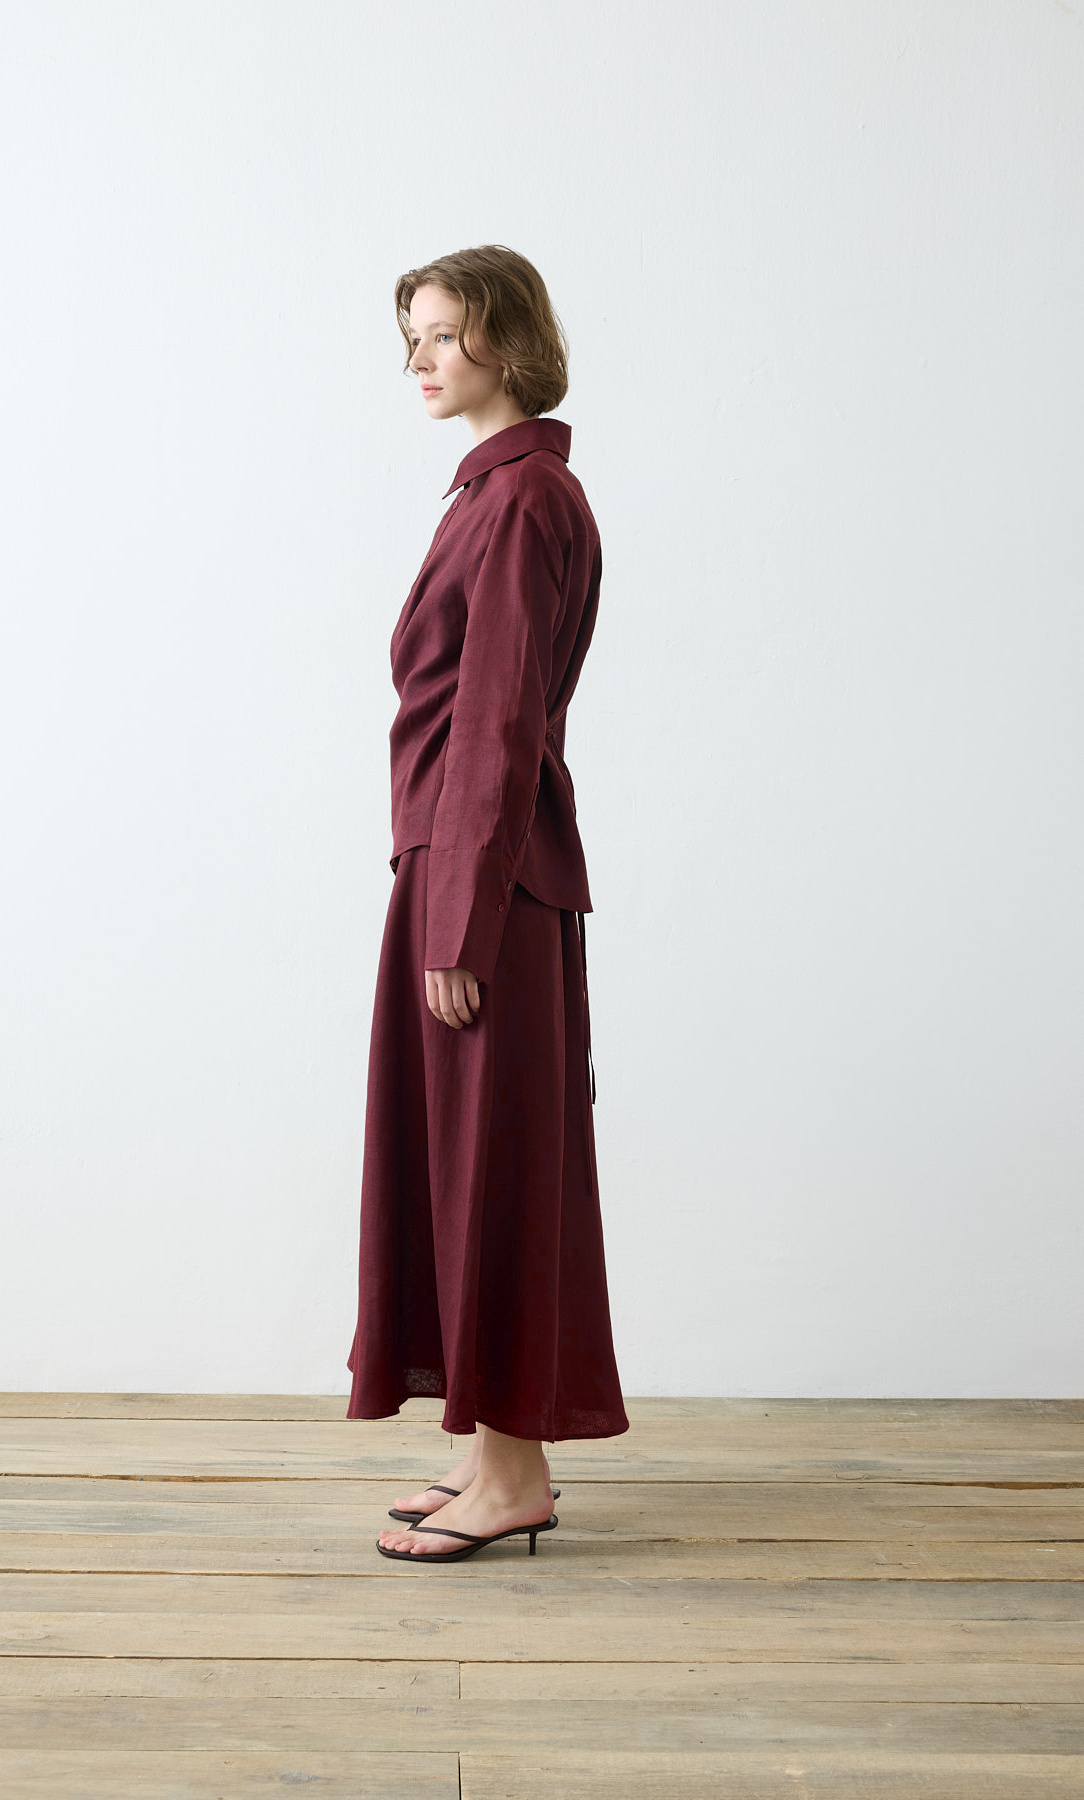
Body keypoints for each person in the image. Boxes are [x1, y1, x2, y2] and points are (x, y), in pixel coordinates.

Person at [346, 244, 628, 1564]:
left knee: (493, 1171)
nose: (419, 358)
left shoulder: (519, 500)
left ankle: (514, 1477)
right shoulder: (498, 490)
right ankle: (492, 1449)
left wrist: (456, 921)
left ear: (507, 341)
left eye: (445, 334)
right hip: (465, 870)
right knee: (466, 1166)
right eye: (410, 335)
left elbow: (499, 723)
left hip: (486, 882)